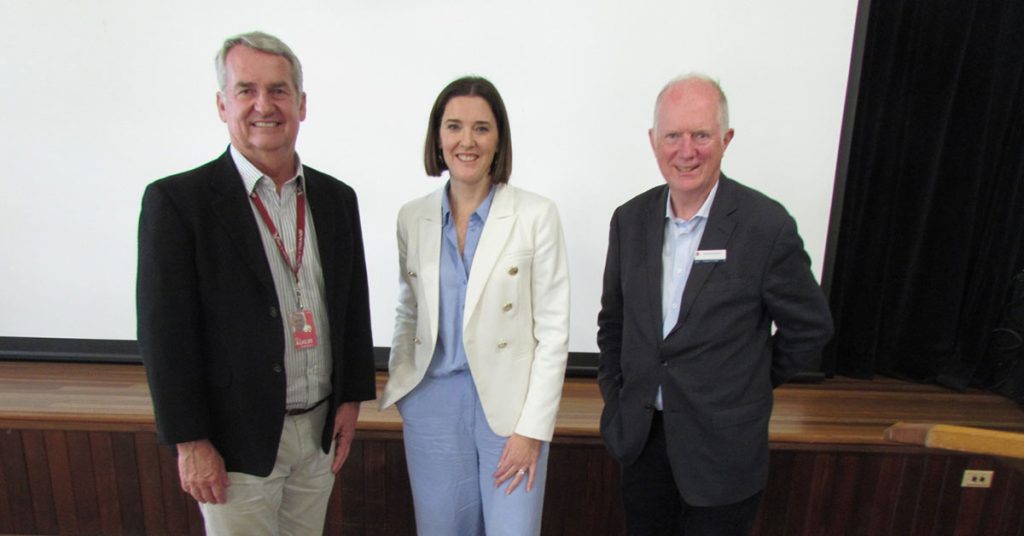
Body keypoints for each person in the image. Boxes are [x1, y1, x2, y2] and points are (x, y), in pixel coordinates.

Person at [136, 31, 376, 535]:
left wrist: (350, 399)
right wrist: (190, 442)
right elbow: (166, 337)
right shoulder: (179, 204)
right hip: (234, 442)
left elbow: (352, 307)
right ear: (222, 104)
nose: (263, 105)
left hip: (318, 435)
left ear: (302, 104)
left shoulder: (336, 199)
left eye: (279, 90)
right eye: (246, 90)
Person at [597, 74, 834, 535]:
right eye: (673, 136)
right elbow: (614, 322)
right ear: (653, 142)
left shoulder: (765, 226)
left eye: (701, 135)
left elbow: (811, 329)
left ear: (726, 140)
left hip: (723, 451)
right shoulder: (630, 220)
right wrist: (616, 394)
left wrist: (747, 381)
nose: (686, 151)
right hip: (643, 442)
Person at [380, 76, 570, 535]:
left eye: (482, 128)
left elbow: (554, 332)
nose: (467, 141)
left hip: (509, 411)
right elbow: (409, 311)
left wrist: (532, 431)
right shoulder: (413, 216)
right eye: (454, 126)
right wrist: (406, 390)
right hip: (432, 406)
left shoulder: (535, 215)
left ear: (499, 138)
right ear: (437, 136)